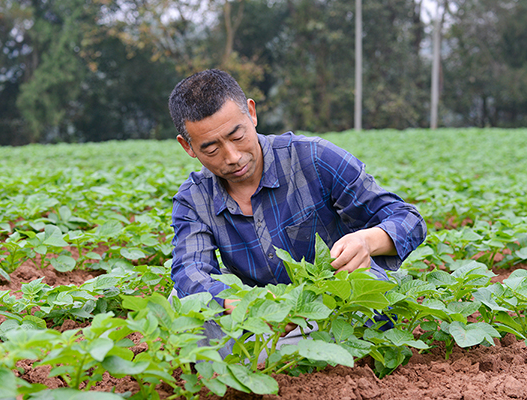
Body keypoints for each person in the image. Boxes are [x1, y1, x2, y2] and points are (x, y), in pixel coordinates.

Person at [167, 69, 426, 347]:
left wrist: (366, 241)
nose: (233, 156)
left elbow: (408, 220)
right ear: (188, 146)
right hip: (260, 315)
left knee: (339, 316)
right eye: (211, 148)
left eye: (237, 135)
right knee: (178, 302)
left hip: (330, 306)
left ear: (251, 114)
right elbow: (190, 270)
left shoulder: (313, 158)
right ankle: (263, 355)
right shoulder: (194, 197)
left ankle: (263, 359)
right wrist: (245, 306)